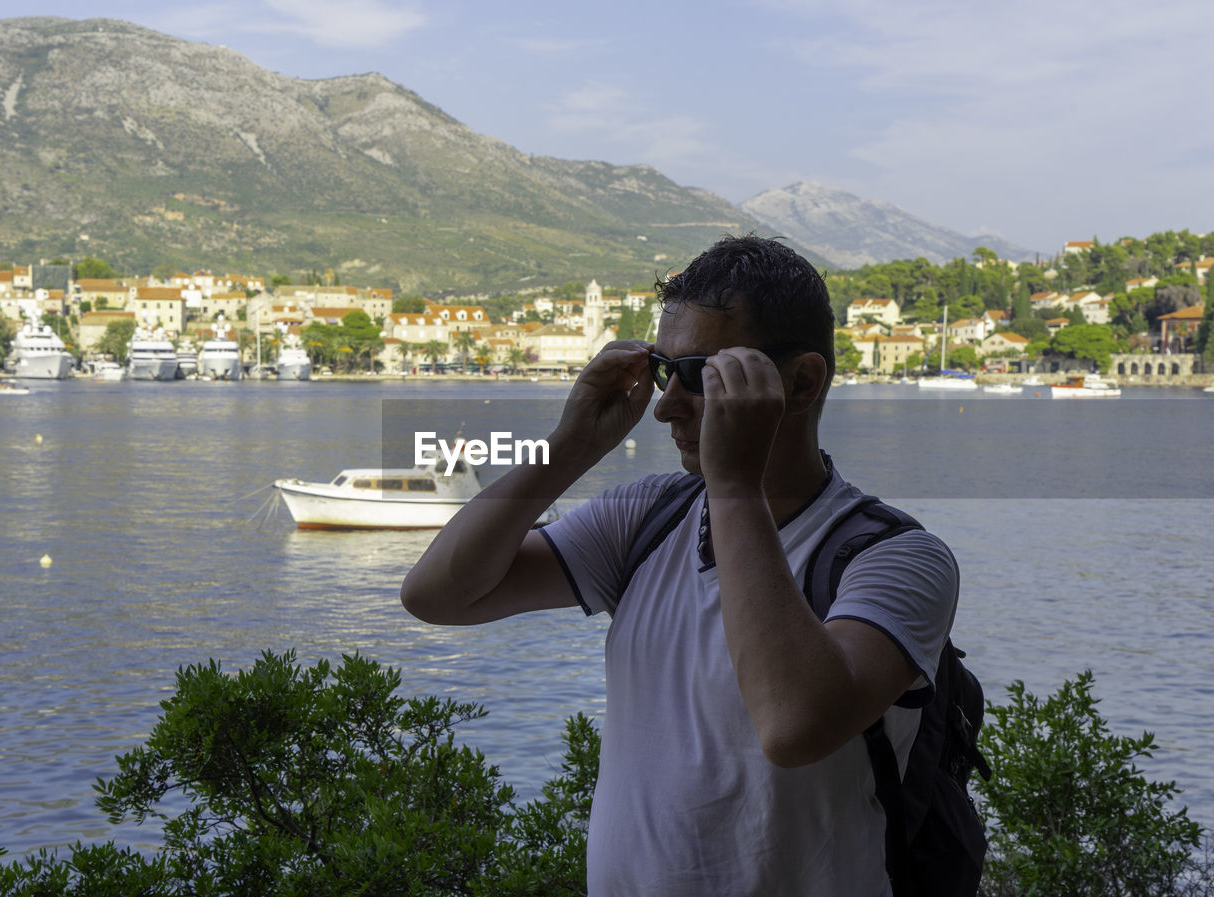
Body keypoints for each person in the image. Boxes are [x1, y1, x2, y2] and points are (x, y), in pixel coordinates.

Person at [401, 234, 959, 896]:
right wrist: (572, 443)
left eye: (702, 375)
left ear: (802, 381)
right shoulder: (648, 517)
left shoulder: (897, 559)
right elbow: (437, 595)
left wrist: (733, 489)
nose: (666, 405)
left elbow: (793, 723)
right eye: (665, 372)